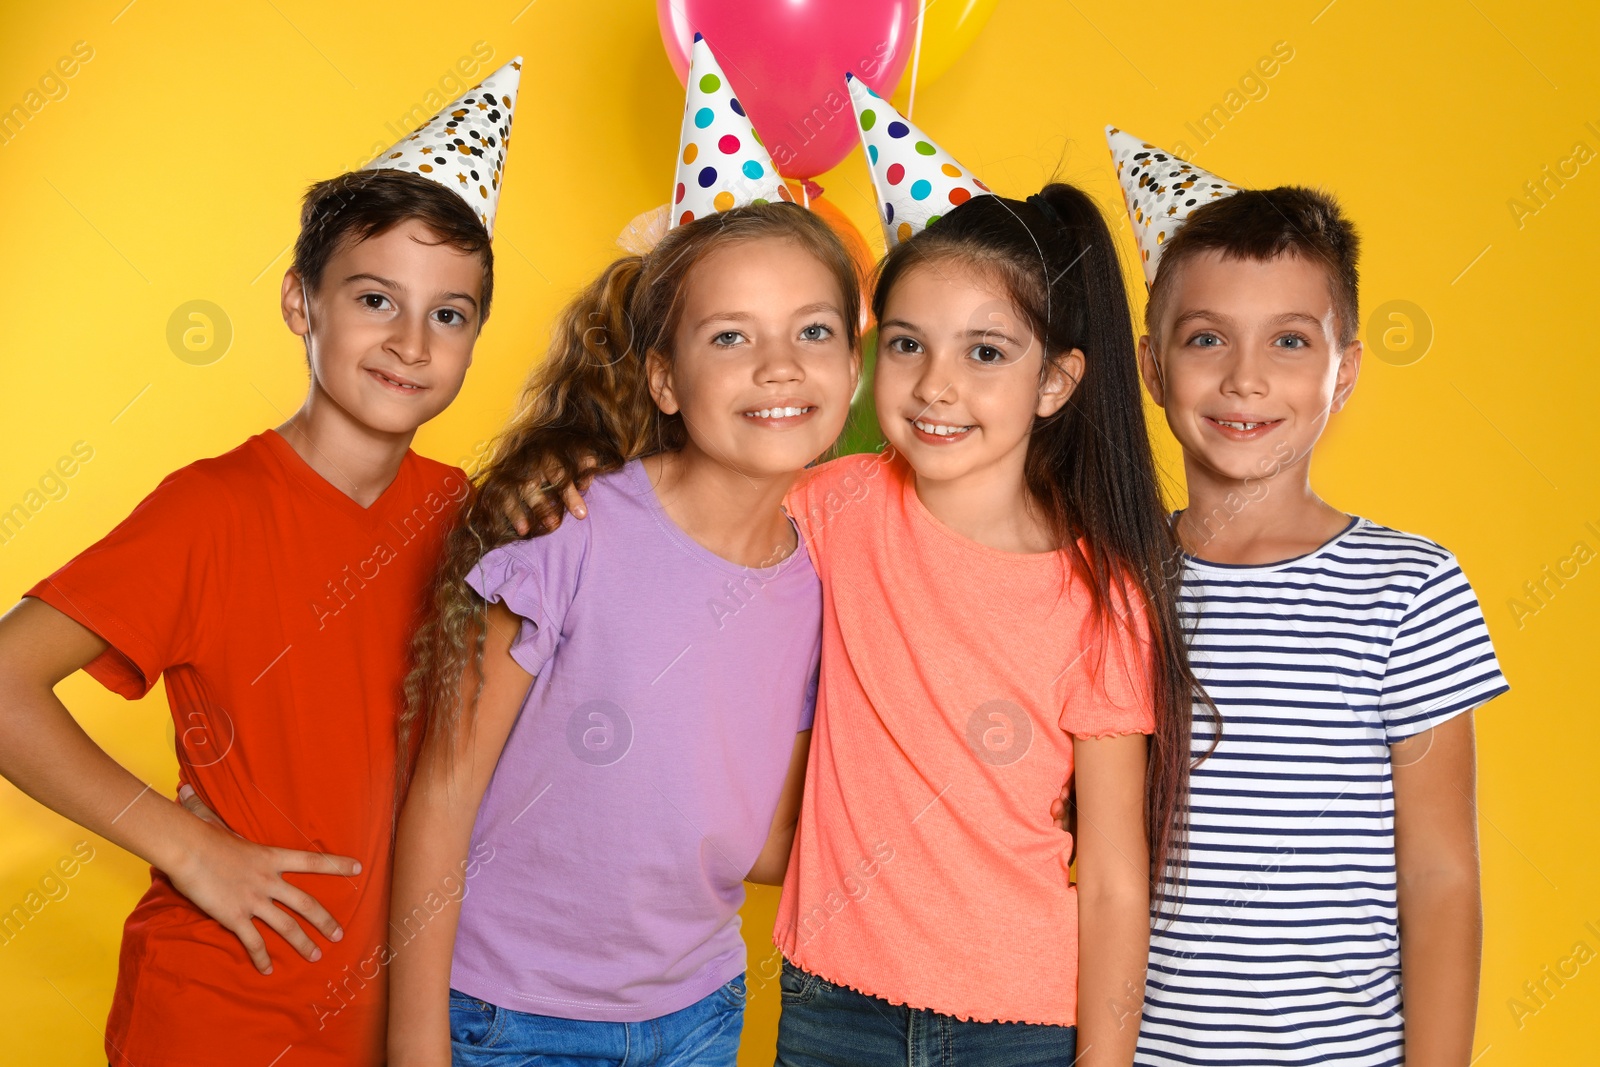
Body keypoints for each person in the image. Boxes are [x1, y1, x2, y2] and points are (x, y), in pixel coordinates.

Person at [0, 58, 523, 1067]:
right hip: (222, 1010)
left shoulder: (470, 517)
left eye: (448, 315)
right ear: (300, 302)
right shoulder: (214, 510)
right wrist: (187, 843)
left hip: (410, 1014)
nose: (411, 340)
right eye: (375, 299)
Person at [385, 37, 854, 1067]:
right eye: (730, 336)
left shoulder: (830, 575)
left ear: (856, 372)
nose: (779, 363)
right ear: (663, 380)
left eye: (814, 331)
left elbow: (763, 841)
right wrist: (416, 1042)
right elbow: (441, 795)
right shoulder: (570, 529)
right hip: (506, 1016)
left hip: (696, 1012)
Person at [1106, 128, 1509, 1067]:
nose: (1245, 377)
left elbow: (1443, 872)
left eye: (1290, 341)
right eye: (1207, 337)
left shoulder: (1408, 587)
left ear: (1347, 371)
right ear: (1152, 365)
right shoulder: (1117, 578)